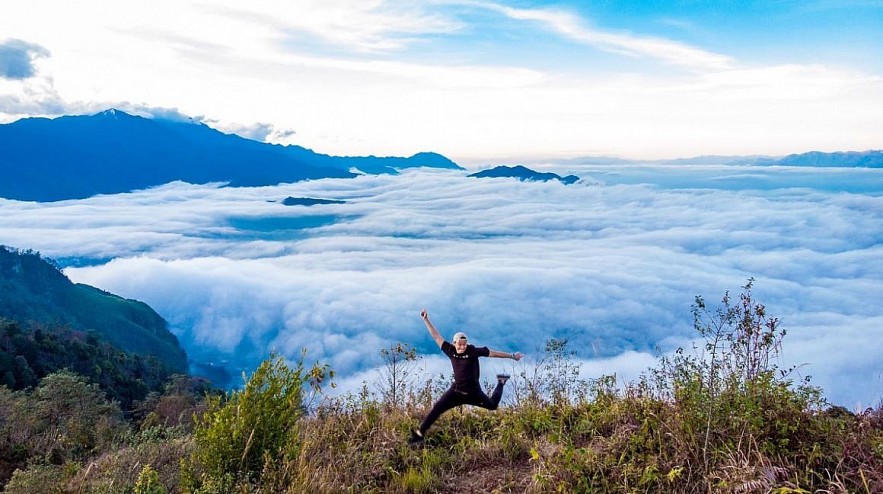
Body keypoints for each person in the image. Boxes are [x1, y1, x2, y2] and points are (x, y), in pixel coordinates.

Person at [409, 308, 523, 444]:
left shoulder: (473, 351)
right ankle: (419, 434)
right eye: (459, 344)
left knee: (492, 405)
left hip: (473, 393)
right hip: (456, 392)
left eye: (464, 344)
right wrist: (426, 319)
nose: (462, 347)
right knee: (437, 408)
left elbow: (493, 353)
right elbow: (436, 336)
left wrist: (512, 356)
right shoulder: (450, 350)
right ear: (454, 343)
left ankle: (501, 381)